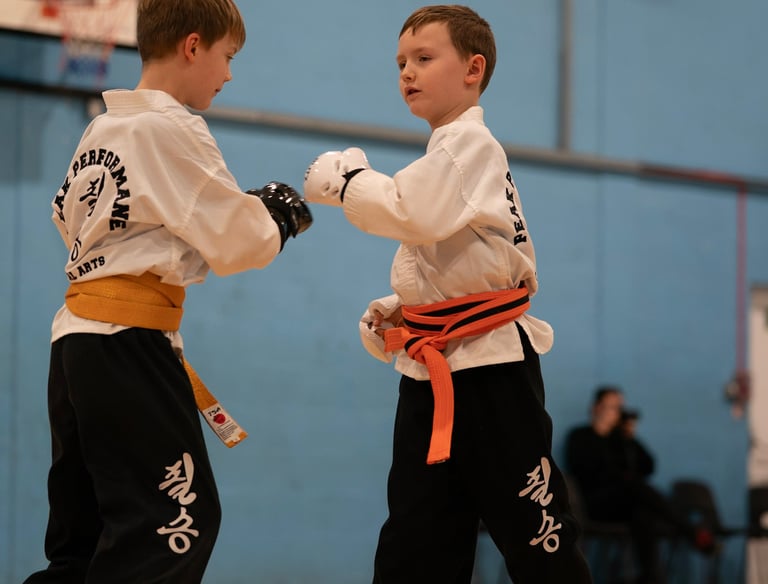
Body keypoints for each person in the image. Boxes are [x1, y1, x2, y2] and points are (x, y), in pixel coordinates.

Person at [24, 1, 312, 582]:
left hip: (76, 342)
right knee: (175, 524)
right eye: (226, 57)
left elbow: (87, 223)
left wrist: (235, 217)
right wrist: (279, 215)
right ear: (192, 45)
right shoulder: (173, 126)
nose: (228, 74)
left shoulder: (103, 127)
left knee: (84, 538)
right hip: (127, 343)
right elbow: (240, 242)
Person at [302, 5, 592, 583]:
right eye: (401, 62)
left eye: (424, 58)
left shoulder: (471, 146)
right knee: (418, 534)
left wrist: (349, 180)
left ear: (473, 69)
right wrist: (396, 313)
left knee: (534, 530)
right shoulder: (444, 155)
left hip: (492, 371)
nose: (407, 72)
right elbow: (445, 264)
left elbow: (413, 213)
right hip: (433, 373)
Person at [565, 386, 717, 584]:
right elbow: (587, 469)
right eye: (613, 407)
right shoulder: (580, 436)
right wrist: (605, 435)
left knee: (643, 515)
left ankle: (650, 578)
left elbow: (648, 466)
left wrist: (628, 440)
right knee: (633, 487)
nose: (618, 413)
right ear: (596, 408)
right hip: (594, 504)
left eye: (620, 408)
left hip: (626, 505)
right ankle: (691, 531)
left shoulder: (621, 440)